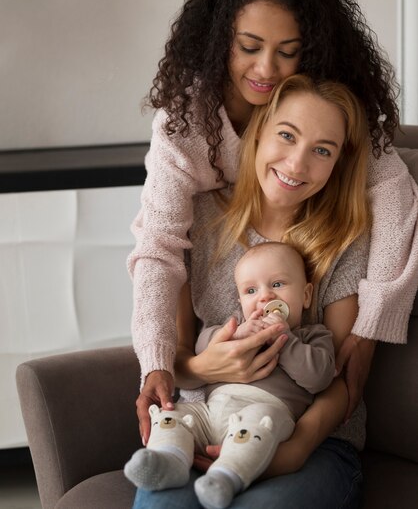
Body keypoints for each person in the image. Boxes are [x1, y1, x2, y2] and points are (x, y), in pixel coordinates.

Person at [128, 0, 418, 445]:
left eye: (288, 52)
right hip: (211, 402)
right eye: (249, 46)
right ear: (220, 39)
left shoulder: (318, 109)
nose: (266, 69)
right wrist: (161, 363)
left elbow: (393, 191)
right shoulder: (187, 126)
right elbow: (158, 247)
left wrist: (372, 327)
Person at [131, 74, 371, 508]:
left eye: (322, 150)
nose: (297, 165)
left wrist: (295, 448)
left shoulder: (345, 238)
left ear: (338, 162)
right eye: (286, 135)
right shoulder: (200, 218)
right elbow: (180, 362)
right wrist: (209, 364)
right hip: (205, 422)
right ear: (257, 134)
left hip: (310, 438)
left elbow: (338, 377)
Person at [125, 242, 335, 509]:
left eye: (278, 285)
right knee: (172, 413)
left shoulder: (311, 336)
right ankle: (169, 459)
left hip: (265, 412)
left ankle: (226, 477)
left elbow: (320, 377)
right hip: (210, 413)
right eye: (251, 290)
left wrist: (285, 338)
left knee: (261, 424)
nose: (264, 297)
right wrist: (234, 337)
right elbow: (203, 346)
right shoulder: (234, 327)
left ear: (306, 296)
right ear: (240, 301)